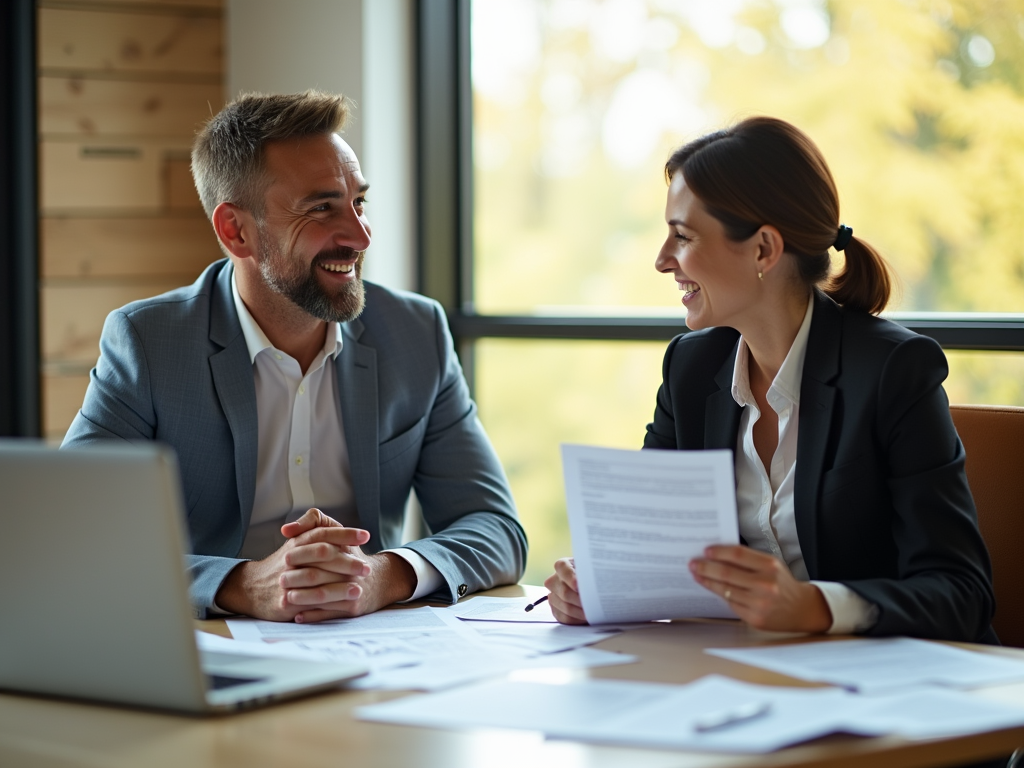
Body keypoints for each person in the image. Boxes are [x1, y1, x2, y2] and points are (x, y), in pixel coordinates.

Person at [63, 90, 527, 622]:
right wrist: (243, 585)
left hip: (378, 653)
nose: (360, 235)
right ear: (236, 231)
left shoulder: (415, 333)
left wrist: (383, 576)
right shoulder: (148, 342)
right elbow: (76, 540)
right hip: (214, 654)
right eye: (322, 208)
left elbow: (497, 530)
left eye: (359, 203)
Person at [545, 116, 995, 643]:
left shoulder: (894, 370)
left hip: (891, 685)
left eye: (683, 237)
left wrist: (813, 606)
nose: (663, 261)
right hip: (746, 675)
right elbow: (653, 551)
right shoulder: (691, 369)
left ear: (763, 250)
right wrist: (597, 585)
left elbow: (962, 592)